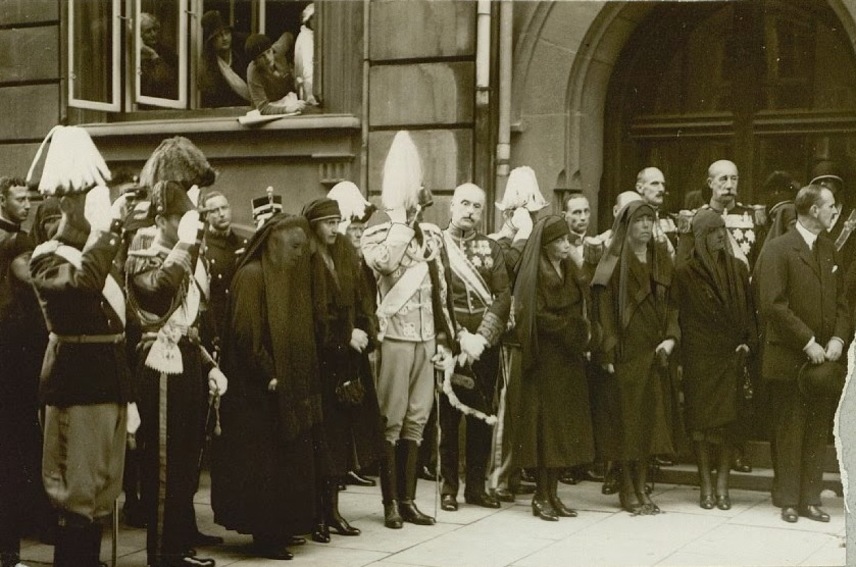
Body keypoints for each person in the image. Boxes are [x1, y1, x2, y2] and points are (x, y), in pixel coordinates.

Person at [26, 125, 139, 566]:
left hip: (107, 380)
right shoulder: (46, 256)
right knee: (77, 496)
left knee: (102, 492)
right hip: (77, 384)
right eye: (91, 200)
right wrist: (107, 233)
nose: (100, 207)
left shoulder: (97, 251)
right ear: (69, 206)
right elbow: (83, 285)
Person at [126, 180, 227, 567]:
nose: (188, 223)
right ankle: (162, 555)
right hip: (159, 364)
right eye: (179, 217)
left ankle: (176, 547)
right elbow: (158, 295)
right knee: (164, 462)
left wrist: (210, 365)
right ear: (160, 221)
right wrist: (185, 244)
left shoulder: (186, 256)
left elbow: (191, 324)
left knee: (186, 461)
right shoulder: (143, 255)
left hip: (186, 360)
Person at [211, 213, 322, 560]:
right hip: (256, 393)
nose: (299, 254)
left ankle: (281, 526)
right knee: (262, 466)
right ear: (275, 244)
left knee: (284, 463)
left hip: (282, 390)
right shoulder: (252, 276)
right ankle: (265, 535)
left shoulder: (283, 275)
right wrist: (269, 374)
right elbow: (245, 335)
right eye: (294, 247)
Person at [361, 130, 456, 529]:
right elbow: (383, 265)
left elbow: (441, 290)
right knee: (392, 419)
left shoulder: (432, 236)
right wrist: (400, 227)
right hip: (395, 338)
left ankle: (408, 499)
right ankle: (389, 503)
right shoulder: (376, 235)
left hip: (425, 337)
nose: (419, 206)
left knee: (418, 418)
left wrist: (444, 338)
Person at [755, 184, 850, 524]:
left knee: (816, 428)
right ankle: (788, 500)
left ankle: (810, 499)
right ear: (813, 210)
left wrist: (838, 338)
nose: (834, 211)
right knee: (789, 429)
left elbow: (843, 302)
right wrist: (807, 341)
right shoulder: (778, 249)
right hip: (790, 359)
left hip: (823, 363)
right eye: (830, 206)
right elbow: (773, 304)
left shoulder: (828, 249)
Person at [301, 197, 384, 542]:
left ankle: (333, 511)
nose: (335, 229)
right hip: (320, 363)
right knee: (320, 439)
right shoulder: (306, 259)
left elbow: (363, 300)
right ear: (314, 225)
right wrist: (343, 336)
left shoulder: (346, 255)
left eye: (337, 221)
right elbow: (308, 315)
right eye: (328, 223)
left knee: (338, 439)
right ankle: (317, 515)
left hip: (347, 362)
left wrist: (365, 332)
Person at [591, 200, 679, 515]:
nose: (644, 225)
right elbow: (602, 311)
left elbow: (673, 305)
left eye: (649, 220)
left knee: (649, 425)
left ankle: (642, 486)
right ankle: (627, 488)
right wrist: (607, 349)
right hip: (625, 354)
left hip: (655, 353)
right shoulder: (612, 263)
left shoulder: (660, 259)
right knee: (626, 424)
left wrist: (671, 338)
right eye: (639, 220)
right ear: (626, 227)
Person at [507, 215, 594, 521]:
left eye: (567, 239)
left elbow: (582, 300)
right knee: (545, 432)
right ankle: (540, 496)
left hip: (567, 360)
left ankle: (553, 494)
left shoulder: (569, 268)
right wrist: (572, 329)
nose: (565, 245)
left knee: (561, 431)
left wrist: (578, 331)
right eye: (559, 241)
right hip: (545, 361)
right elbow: (536, 315)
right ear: (545, 245)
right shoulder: (535, 274)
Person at [674, 209, 758, 511]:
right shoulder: (685, 273)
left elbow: (749, 311)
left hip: (730, 356)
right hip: (700, 359)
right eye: (712, 231)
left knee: (727, 424)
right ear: (699, 236)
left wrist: (748, 342)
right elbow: (682, 317)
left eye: (722, 229)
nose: (720, 235)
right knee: (701, 425)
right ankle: (705, 485)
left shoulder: (738, 268)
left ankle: (722, 485)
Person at [437, 183, 510, 512]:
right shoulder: (437, 245)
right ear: (452, 206)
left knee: (483, 414)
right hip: (451, 343)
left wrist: (482, 338)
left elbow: (503, 296)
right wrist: (459, 338)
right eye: (464, 203)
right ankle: (449, 487)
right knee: (449, 418)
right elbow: (437, 297)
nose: (469, 211)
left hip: (484, 345)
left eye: (476, 206)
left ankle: (477, 487)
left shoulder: (491, 248)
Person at [0, 178, 55, 566]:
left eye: (28, 199)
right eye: (19, 199)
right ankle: (9, 549)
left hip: (13, 353)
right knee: (16, 449)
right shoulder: (17, 243)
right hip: (14, 358)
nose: (27, 204)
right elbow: (37, 283)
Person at [487, 165, 547, 503]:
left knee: (519, 408)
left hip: (524, 333)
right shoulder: (501, 242)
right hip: (509, 336)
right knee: (507, 409)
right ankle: (498, 477)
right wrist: (521, 235)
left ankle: (510, 474)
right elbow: (508, 271)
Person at [326, 181, 380, 488]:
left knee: (355, 403)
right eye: (354, 228)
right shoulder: (332, 261)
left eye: (362, 229)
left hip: (357, 342)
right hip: (338, 344)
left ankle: (350, 463)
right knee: (338, 405)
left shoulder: (359, 260)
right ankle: (338, 469)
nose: (359, 234)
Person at [200, 191, 246, 346]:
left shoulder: (244, 244)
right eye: (214, 210)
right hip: (215, 327)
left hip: (240, 323)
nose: (221, 214)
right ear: (206, 216)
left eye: (224, 208)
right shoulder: (202, 248)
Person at [198, 10, 250, 108]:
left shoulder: (242, 57)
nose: (225, 38)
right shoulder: (209, 68)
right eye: (219, 35)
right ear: (211, 41)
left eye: (227, 33)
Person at [245, 33, 306, 115]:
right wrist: (287, 109)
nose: (267, 58)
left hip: (290, 99)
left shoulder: (278, 50)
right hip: (271, 109)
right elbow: (263, 108)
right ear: (255, 61)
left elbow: (288, 36)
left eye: (268, 52)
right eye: (261, 56)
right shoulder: (253, 72)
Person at [635, 167, 678, 255]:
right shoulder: (632, 219)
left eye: (663, 184)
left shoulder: (669, 219)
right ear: (639, 188)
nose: (661, 189)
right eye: (655, 184)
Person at [139, 12, 178, 100]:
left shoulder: (167, 53)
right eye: (148, 31)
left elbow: (165, 81)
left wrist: (154, 56)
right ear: (139, 35)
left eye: (155, 29)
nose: (153, 34)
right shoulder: (132, 54)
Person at [294, 3, 317, 105]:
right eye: (313, 18)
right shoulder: (306, 39)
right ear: (308, 20)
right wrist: (311, 95)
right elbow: (307, 68)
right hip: (308, 91)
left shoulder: (309, 36)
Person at [563, 192, 590, 269]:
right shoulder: (560, 247)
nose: (583, 217)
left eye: (586, 211)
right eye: (577, 212)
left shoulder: (598, 244)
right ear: (565, 216)